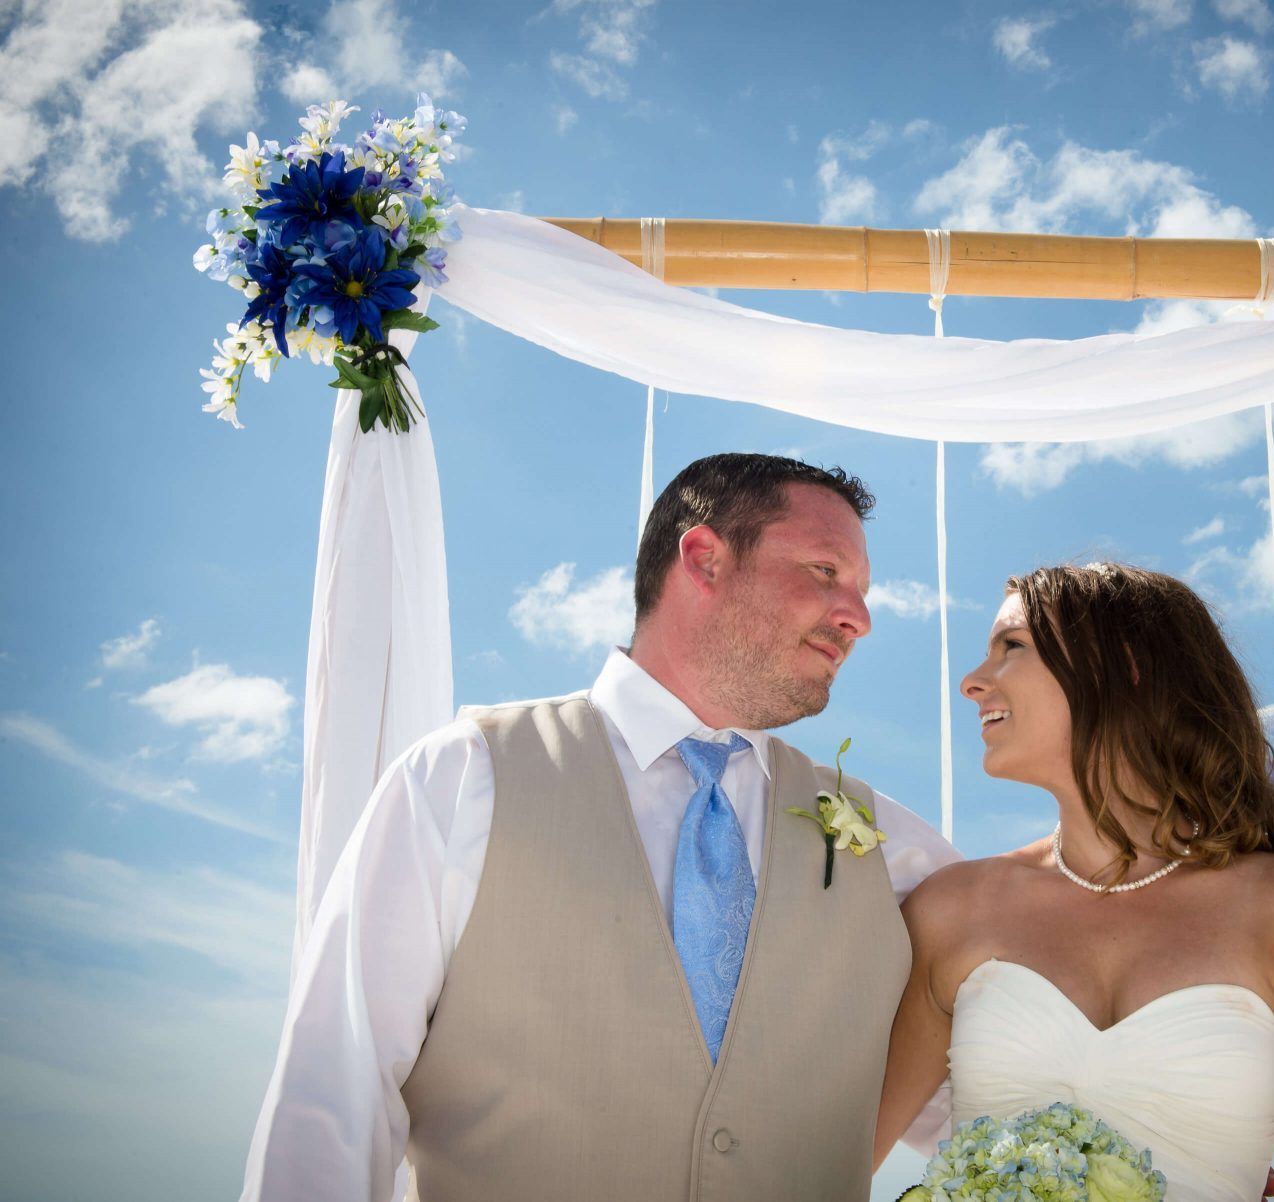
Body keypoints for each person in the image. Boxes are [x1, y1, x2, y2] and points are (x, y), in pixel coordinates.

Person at [239, 453, 960, 1201]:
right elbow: (334, 1098)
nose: (860, 618)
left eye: (862, 592)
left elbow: (987, 1102)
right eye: (824, 571)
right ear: (704, 558)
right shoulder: (463, 779)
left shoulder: (894, 850)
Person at [874, 563, 1274, 1201]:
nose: (971, 681)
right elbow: (828, 1158)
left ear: (1121, 664)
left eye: (1011, 646)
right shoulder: (952, 909)